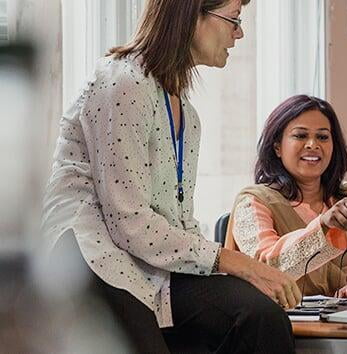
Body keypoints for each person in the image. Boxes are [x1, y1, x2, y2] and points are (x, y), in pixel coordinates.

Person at [41, 1, 300, 352]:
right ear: (192, 16)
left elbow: (176, 221)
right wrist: (235, 262)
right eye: (234, 20)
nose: (239, 33)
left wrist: (234, 270)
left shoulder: (186, 115)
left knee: (259, 316)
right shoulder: (124, 84)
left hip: (147, 267)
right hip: (90, 261)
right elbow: (129, 223)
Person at [224, 95, 347, 299]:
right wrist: (323, 226)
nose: (312, 144)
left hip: (341, 324)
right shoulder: (252, 202)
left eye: (323, 137)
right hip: (279, 324)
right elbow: (265, 269)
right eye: (300, 136)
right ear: (277, 147)